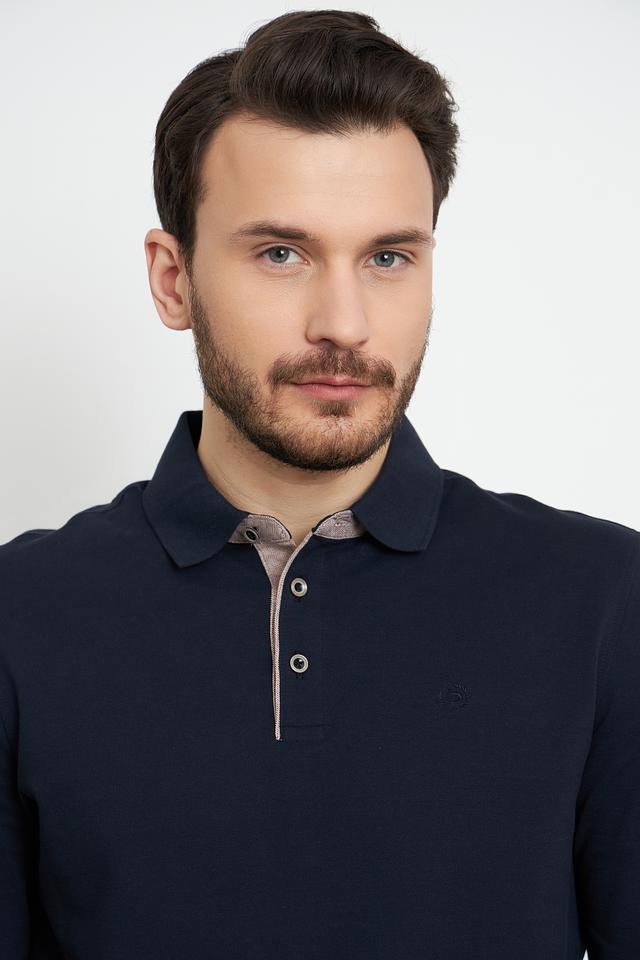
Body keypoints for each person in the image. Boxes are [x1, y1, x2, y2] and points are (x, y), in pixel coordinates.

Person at [1, 9, 638, 959]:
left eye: (387, 257)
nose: (343, 323)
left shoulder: (605, 599)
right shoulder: (19, 614)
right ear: (173, 280)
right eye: (281, 253)